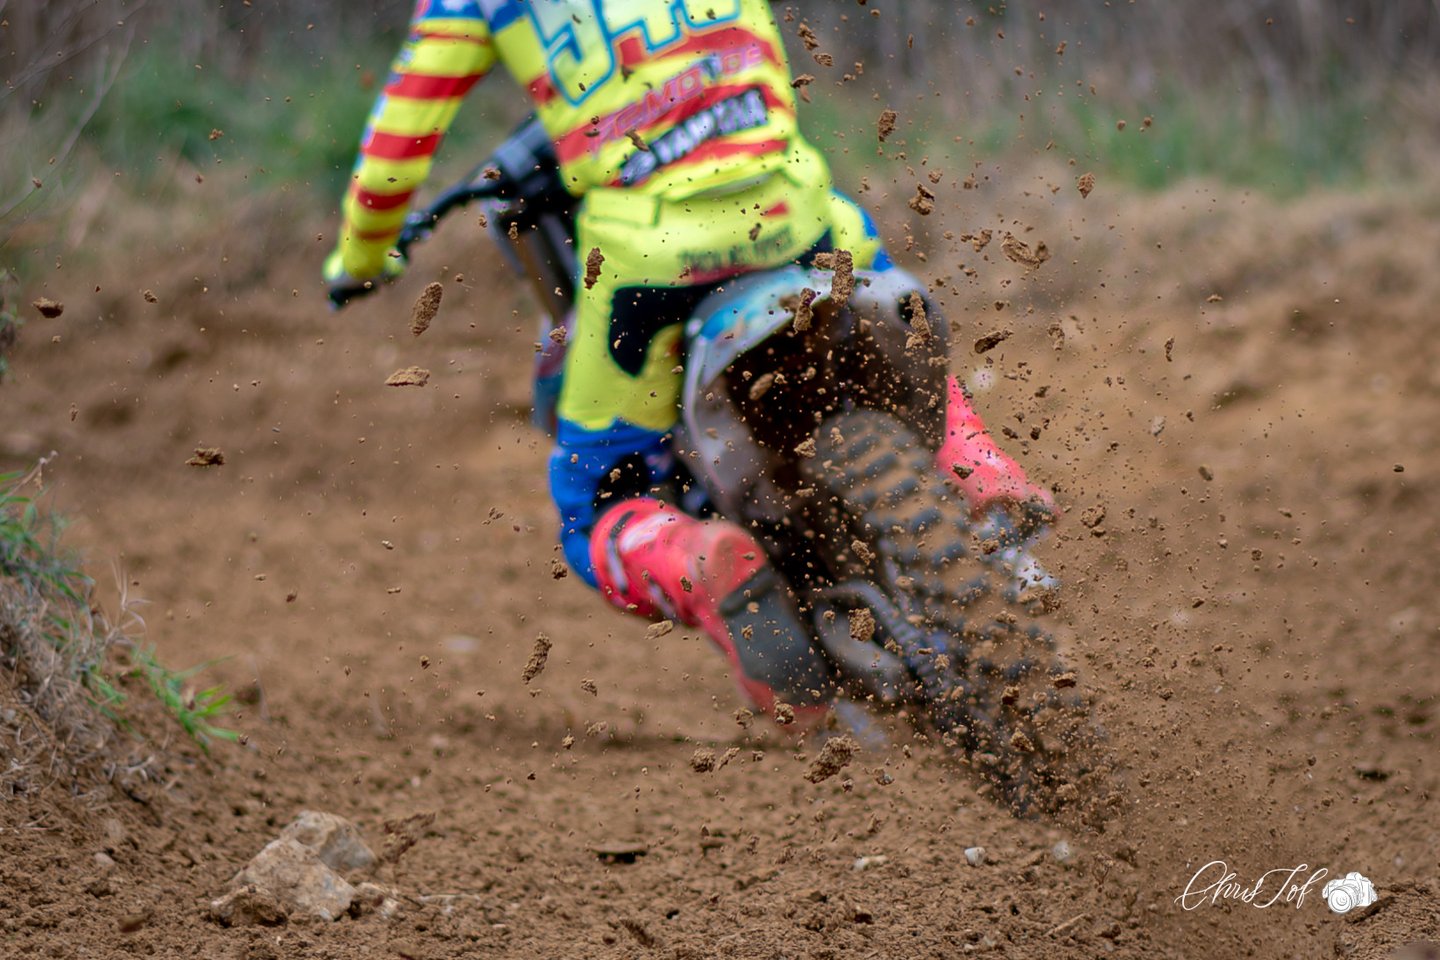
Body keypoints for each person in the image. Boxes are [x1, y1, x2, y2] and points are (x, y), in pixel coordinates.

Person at [324, 0, 1051, 726]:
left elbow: (403, 131)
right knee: (892, 316)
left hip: (650, 265)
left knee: (595, 503)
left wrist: (362, 255)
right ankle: (977, 467)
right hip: (791, 212)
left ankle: (702, 565)